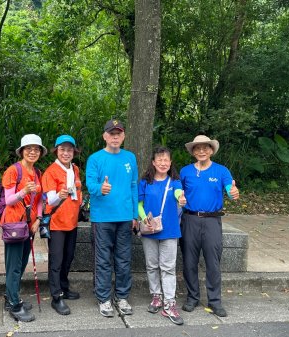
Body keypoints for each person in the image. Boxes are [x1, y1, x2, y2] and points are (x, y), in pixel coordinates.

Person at [179, 135, 240, 318]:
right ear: (193, 152)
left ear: (211, 150)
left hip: (212, 220)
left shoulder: (221, 171)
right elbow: (178, 192)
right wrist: (178, 198)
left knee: (213, 262)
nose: (201, 151)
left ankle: (215, 301)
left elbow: (230, 189)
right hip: (189, 219)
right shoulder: (185, 172)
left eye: (205, 148)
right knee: (189, 261)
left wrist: (233, 192)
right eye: (197, 148)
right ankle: (192, 297)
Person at [86, 118, 138, 317]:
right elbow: (90, 184)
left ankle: (122, 297)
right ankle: (104, 298)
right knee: (103, 260)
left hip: (125, 217)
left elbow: (133, 186)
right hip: (102, 219)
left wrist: (134, 215)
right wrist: (100, 188)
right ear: (105, 136)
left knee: (124, 259)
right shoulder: (95, 159)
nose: (115, 137)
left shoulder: (130, 158)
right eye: (111, 133)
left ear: (123, 136)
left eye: (118, 133)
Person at [138, 146, 186, 325]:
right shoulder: (145, 181)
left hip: (170, 230)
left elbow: (178, 194)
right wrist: (144, 219)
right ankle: (156, 296)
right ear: (153, 162)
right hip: (149, 230)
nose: (163, 163)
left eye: (166, 160)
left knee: (167, 267)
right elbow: (139, 204)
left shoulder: (174, 181)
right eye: (160, 160)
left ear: (170, 162)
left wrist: (181, 198)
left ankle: (169, 303)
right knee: (151, 265)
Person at [2, 134, 46, 322]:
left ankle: (10, 296)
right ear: (22, 151)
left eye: (36, 149)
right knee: (14, 265)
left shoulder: (37, 173)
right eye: (28, 148)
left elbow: (39, 200)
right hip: (14, 223)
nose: (32, 152)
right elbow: (8, 200)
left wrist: (38, 220)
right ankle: (14, 303)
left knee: (21, 262)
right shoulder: (13, 171)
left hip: (29, 225)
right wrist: (24, 191)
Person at [41, 135, 83, 315]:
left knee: (68, 258)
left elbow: (78, 191)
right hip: (57, 222)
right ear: (56, 151)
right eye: (62, 149)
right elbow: (49, 199)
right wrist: (60, 194)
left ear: (74, 152)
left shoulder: (75, 168)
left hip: (72, 222)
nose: (66, 153)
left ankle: (64, 288)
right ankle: (56, 296)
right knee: (56, 261)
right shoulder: (50, 171)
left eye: (69, 150)